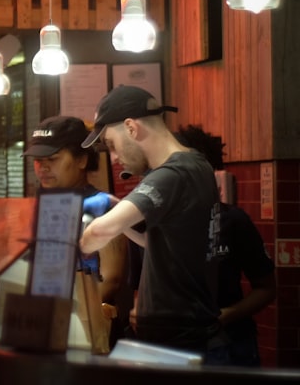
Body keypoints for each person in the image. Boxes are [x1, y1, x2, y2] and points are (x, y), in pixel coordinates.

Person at [79, 85, 226, 364]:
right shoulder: (197, 166)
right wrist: (119, 215)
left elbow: (98, 232)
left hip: (179, 342)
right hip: (184, 335)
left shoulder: (174, 173)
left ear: (131, 128)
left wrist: (75, 241)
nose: (113, 157)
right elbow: (157, 242)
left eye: (111, 145)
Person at [24, 115, 131, 347]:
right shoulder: (37, 207)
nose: (42, 168)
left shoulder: (105, 206)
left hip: (89, 331)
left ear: (82, 160)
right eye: (37, 160)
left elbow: (110, 279)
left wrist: (65, 314)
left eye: (52, 159)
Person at [175, 124, 276, 367]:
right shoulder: (156, 224)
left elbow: (267, 288)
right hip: (175, 349)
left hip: (232, 346)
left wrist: (227, 315)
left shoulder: (234, 221)